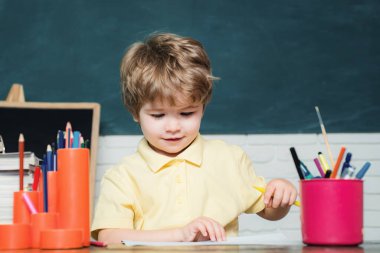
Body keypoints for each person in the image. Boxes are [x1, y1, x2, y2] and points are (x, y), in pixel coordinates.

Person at [91, 33, 298, 244]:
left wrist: (280, 196)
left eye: (187, 113)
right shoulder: (122, 176)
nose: (173, 127)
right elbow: (109, 237)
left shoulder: (229, 158)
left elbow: (269, 212)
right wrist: (180, 235)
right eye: (158, 115)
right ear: (135, 112)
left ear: (203, 108)